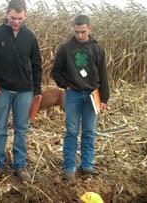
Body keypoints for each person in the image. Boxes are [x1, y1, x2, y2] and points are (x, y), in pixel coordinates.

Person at [0, 0, 42, 182]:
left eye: (20, 18)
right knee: (0, 129)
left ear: (25, 15)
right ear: (7, 14)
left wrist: (37, 88)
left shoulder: (30, 37)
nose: (16, 22)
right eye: (13, 18)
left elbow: (37, 65)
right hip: (1, 90)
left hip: (24, 91)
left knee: (21, 129)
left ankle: (20, 166)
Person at [51, 15, 110, 182]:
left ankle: (87, 165)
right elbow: (56, 71)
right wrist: (66, 86)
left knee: (89, 132)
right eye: (76, 32)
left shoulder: (97, 48)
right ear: (73, 29)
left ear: (89, 29)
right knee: (71, 131)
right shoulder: (66, 48)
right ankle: (69, 167)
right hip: (73, 95)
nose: (79, 35)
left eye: (83, 32)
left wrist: (104, 98)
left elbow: (103, 74)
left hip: (92, 95)